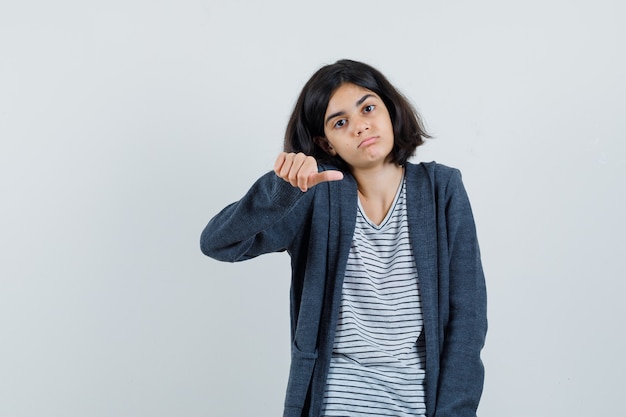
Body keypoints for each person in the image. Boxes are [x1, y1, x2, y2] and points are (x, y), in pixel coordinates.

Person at [200, 59, 487, 417]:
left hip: (418, 402)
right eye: (340, 122)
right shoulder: (315, 196)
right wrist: (280, 190)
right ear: (328, 144)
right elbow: (218, 243)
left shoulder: (441, 189)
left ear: (389, 110)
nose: (360, 126)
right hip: (335, 401)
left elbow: (468, 317)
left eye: (368, 107)